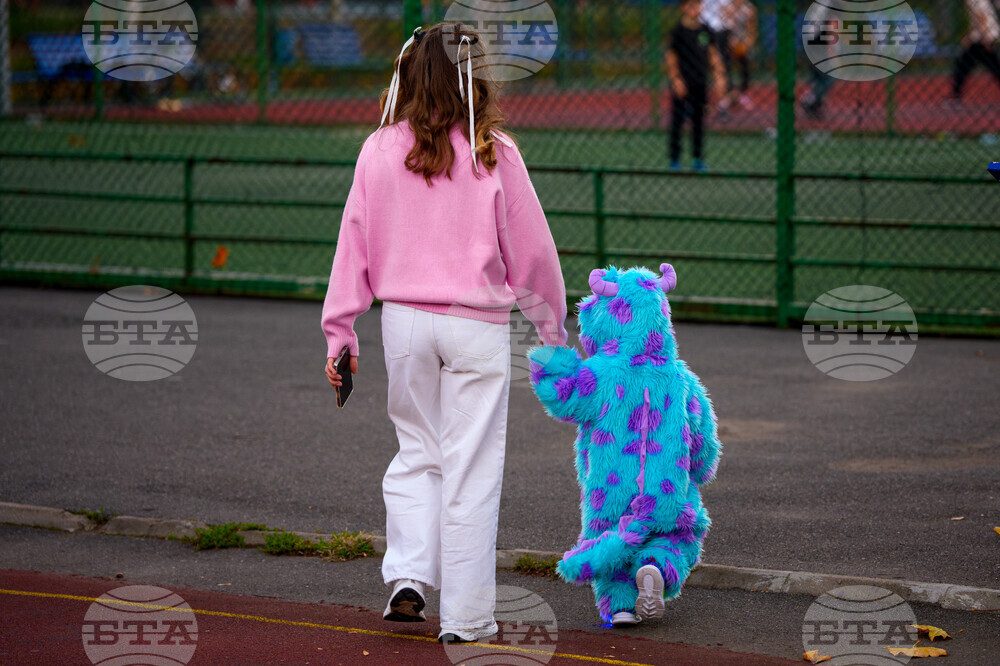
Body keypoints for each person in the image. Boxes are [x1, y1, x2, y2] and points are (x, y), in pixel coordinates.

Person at [321, 23, 569, 645]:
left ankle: (407, 576)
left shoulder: (378, 149)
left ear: (407, 76)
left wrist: (340, 333)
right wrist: (552, 331)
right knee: (471, 470)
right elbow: (533, 254)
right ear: (473, 76)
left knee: (416, 455)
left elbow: (353, 243)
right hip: (476, 329)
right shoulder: (494, 150)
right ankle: (466, 619)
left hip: (403, 324)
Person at [667, 0, 727, 170]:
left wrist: (720, 76)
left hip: (699, 83)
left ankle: (697, 158)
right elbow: (671, 57)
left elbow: (713, 54)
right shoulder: (678, 31)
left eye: (699, 5)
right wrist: (676, 79)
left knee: (698, 121)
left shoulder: (705, 31)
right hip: (682, 83)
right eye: (693, 5)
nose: (697, 9)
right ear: (684, 8)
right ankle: (675, 159)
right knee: (677, 122)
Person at [952, 0, 1000, 101]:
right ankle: (956, 94)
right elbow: (976, 21)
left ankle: (956, 95)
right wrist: (969, 36)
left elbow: (981, 17)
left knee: (962, 65)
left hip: (983, 39)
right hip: (983, 37)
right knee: (995, 67)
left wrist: (985, 38)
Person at [720, 0, 757, 113]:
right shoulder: (727, 8)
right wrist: (731, 42)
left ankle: (743, 93)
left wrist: (747, 43)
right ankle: (728, 94)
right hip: (729, 40)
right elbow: (725, 29)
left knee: (746, 64)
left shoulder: (749, 9)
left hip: (744, 39)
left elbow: (752, 30)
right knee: (725, 65)